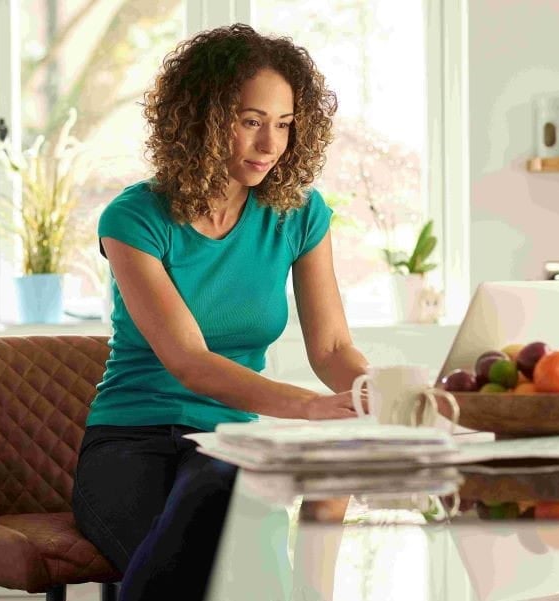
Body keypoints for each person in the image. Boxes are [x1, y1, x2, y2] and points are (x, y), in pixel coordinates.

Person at [72, 23, 369, 601]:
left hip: (232, 447)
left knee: (227, 492)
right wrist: (311, 408)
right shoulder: (135, 219)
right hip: (135, 443)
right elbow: (190, 362)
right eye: (251, 121)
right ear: (201, 119)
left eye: (284, 125)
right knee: (212, 550)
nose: (270, 145)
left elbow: (332, 350)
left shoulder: (300, 215)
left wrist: (380, 394)